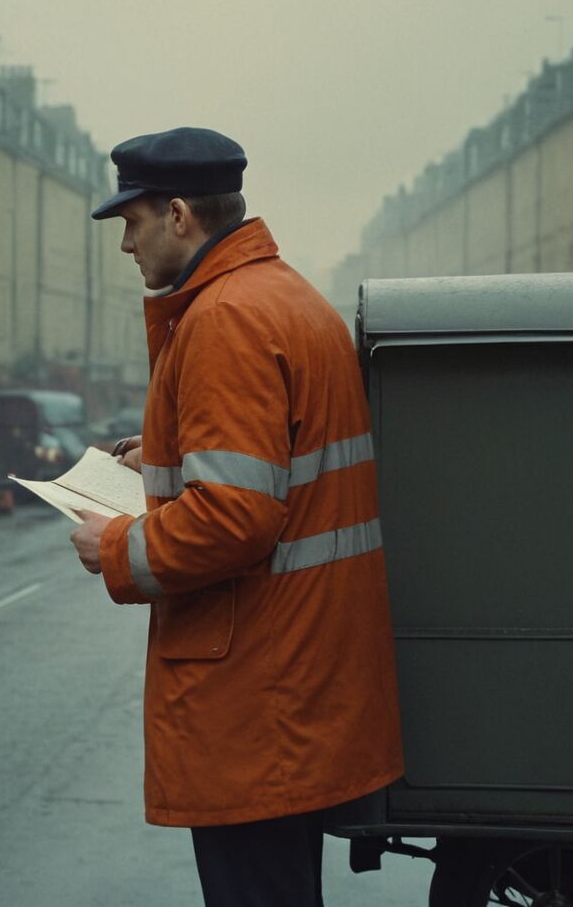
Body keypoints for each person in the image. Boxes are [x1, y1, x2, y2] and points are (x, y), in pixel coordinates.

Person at [69, 126, 404, 906]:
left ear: (180, 214)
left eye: (132, 221)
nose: (126, 245)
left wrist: (115, 546)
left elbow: (232, 517)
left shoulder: (226, 320)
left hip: (257, 692)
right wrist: (153, 459)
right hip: (296, 672)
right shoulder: (281, 296)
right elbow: (268, 467)